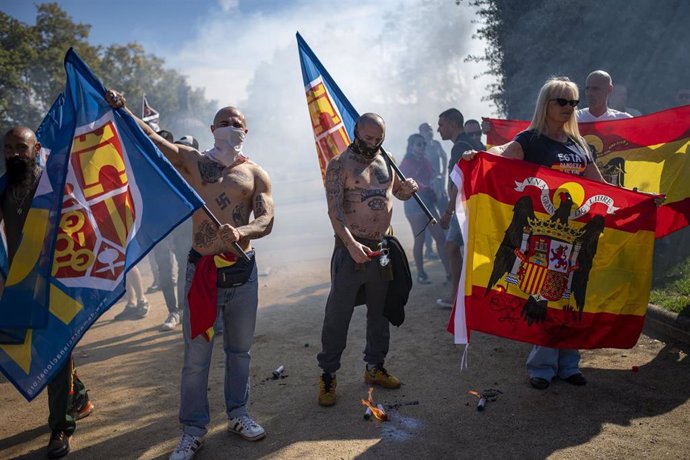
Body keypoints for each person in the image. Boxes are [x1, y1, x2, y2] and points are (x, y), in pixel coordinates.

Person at [106, 90, 274, 460]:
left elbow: (266, 218)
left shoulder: (255, 173)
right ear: (212, 128)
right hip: (202, 272)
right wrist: (122, 108)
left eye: (238, 123)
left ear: (247, 130)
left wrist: (243, 232)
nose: (231, 127)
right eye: (225, 122)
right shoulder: (194, 162)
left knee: (240, 352)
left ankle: (239, 415)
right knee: (197, 358)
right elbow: (152, 139)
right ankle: (193, 430)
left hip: (242, 273)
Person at [463, 76, 608, 390]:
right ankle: (541, 368)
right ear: (547, 104)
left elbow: (601, 188)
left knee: (568, 300)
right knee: (544, 299)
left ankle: (569, 364)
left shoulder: (579, 144)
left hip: (573, 240)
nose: (569, 108)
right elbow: (501, 156)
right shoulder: (530, 140)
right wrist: (479, 157)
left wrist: (639, 201)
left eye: (573, 102)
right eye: (562, 101)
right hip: (542, 240)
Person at [1, 126, 94, 458]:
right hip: (22, 286)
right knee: (47, 352)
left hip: (58, 285)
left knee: (55, 355)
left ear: (35, 148)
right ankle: (79, 398)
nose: (13, 153)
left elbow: (82, 227)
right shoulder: (3, 186)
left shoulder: (56, 185)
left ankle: (61, 427)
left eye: (20, 148)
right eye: (8, 147)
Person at [317, 113, 418, 407]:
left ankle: (375, 367)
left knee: (380, 311)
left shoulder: (387, 159)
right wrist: (350, 245)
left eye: (378, 139)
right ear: (355, 132)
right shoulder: (339, 165)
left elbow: (398, 193)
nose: (372, 144)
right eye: (367, 138)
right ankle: (328, 374)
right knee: (338, 313)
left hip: (382, 250)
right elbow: (334, 211)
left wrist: (408, 189)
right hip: (350, 251)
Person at [436, 108, 480, 308]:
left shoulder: (459, 146)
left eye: (441, 124)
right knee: (457, 248)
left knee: (452, 248)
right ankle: (461, 297)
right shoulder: (474, 143)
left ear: (453, 124)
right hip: (476, 206)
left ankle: (457, 298)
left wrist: (448, 212)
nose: (438, 130)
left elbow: (459, 182)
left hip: (465, 206)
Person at [399, 133, 450, 284]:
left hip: (428, 202)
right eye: (419, 144)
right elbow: (402, 183)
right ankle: (421, 274)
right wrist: (424, 186)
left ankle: (449, 272)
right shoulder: (406, 162)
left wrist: (436, 185)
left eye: (423, 144)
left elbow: (432, 177)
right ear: (412, 146)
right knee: (419, 239)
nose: (422, 147)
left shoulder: (426, 161)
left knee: (440, 237)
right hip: (413, 205)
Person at [418, 122, 448, 259]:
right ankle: (429, 249)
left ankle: (446, 242)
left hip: (438, 183)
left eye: (430, 129)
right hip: (427, 188)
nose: (429, 132)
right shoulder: (420, 147)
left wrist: (443, 173)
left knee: (443, 212)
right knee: (430, 217)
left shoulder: (436, 144)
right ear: (421, 133)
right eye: (425, 130)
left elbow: (444, 156)